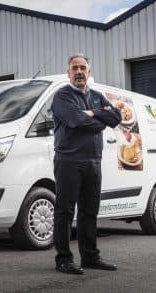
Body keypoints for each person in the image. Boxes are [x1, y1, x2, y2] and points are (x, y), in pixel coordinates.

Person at [51, 54, 122, 274]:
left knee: (90, 211)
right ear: (68, 73)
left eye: (83, 68)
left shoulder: (98, 97)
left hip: (93, 161)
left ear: (89, 72)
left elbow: (117, 117)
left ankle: (90, 257)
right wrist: (100, 120)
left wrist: (93, 113)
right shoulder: (62, 96)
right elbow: (76, 120)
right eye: (75, 68)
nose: (79, 71)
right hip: (68, 161)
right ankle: (63, 259)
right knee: (65, 211)